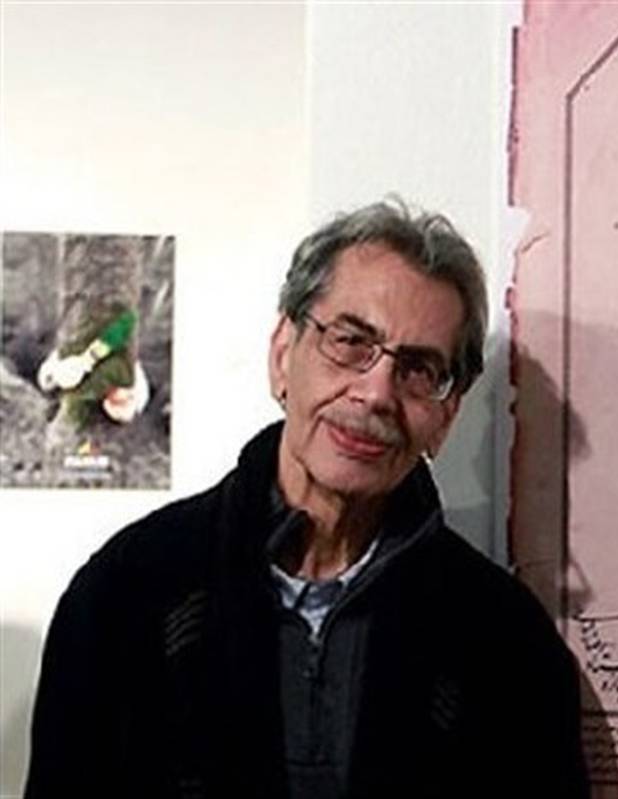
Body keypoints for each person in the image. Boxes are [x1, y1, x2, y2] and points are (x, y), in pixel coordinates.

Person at [24, 200, 589, 798]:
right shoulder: (125, 593)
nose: (376, 393)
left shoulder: (506, 643)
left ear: (445, 415)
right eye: (351, 342)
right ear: (282, 354)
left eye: (419, 369)